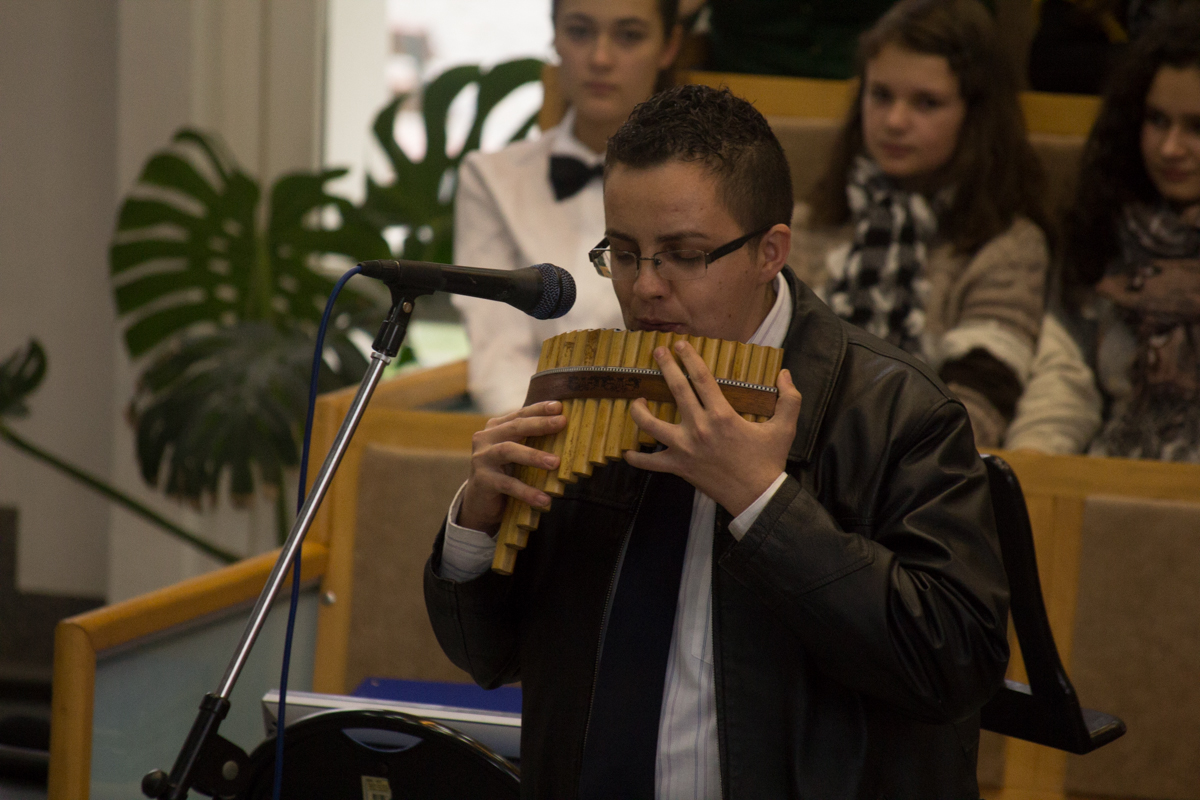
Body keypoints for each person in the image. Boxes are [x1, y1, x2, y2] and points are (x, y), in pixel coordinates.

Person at [425, 84, 1009, 798]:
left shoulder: (899, 412)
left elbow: (955, 664)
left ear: (770, 251)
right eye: (625, 253)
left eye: (682, 254)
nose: (645, 288)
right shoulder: (587, 389)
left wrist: (764, 503)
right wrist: (475, 531)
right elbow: (488, 657)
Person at [790, 0, 1051, 448]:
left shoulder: (1010, 246)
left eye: (926, 103)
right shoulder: (804, 225)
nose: (895, 122)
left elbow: (975, 413)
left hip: (916, 469)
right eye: (881, 95)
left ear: (976, 114)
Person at [453, 0, 682, 415]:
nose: (600, 58)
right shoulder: (491, 179)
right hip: (528, 428)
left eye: (629, 36)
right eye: (579, 31)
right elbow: (498, 351)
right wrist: (538, 435)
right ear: (555, 37)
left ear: (669, 46)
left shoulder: (705, 186)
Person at [1006, 6, 1200, 460]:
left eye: (1197, 127)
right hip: (1114, 468)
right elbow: (1065, 380)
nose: (1170, 148)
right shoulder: (1103, 226)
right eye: (1156, 120)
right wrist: (1032, 464)